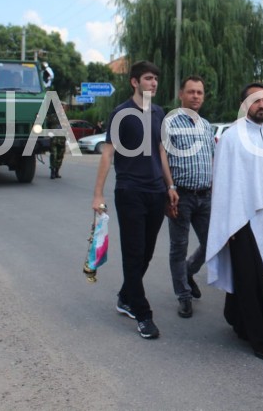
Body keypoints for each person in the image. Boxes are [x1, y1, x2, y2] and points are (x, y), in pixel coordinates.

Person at [205, 83, 263, 361]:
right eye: (257, 101)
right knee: (251, 278)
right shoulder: (232, 137)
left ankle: (238, 319)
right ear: (245, 104)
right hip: (243, 219)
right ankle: (261, 338)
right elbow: (222, 183)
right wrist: (226, 223)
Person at [91, 60, 179, 340]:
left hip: (156, 192)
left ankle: (126, 296)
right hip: (130, 192)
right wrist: (98, 194)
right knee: (133, 252)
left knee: (147, 253)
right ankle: (143, 314)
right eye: (149, 78)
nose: (153, 83)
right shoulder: (121, 113)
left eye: (156, 79)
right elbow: (108, 153)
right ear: (135, 82)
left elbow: (161, 151)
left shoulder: (158, 112)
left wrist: (170, 185)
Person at [163, 75, 214, 318]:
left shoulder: (206, 125)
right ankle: (183, 295)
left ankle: (188, 271)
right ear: (181, 94)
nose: (195, 96)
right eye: (191, 92)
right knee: (178, 247)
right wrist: (169, 188)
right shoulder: (170, 123)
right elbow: (162, 159)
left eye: (199, 93)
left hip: (205, 196)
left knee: (212, 243)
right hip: (180, 196)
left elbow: (212, 158)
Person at [47, 103, 67, 179]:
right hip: (54, 140)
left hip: (62, 140)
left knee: (60, 156)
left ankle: (57, 171)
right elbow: (47, 126)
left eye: (63, 108)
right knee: (53, 155)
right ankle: (52, 172)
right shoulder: (52, 117)